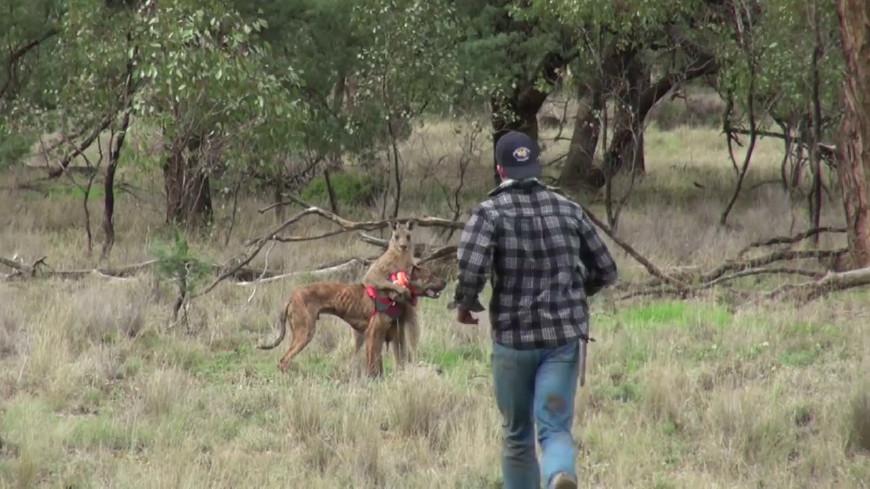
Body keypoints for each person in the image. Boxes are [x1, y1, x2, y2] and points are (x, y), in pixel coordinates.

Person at [450, 130, 618, 489]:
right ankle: (559, 473)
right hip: (562, 340)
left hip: (513, 341)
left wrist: (466, 303)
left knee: (517, 433)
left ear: (500, 169)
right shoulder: (569, 208)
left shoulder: (489, 213)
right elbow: (606, 268)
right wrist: (576, 292)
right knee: (555, 426)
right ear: (536, 166)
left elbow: (472, 267)